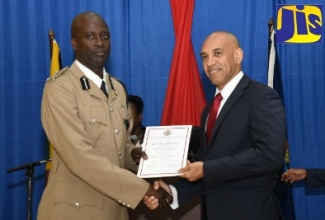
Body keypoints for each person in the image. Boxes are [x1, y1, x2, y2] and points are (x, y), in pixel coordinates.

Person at [38, 12, 171, 220]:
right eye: (90, 36)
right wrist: (142, 190)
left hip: (115, 210)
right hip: (74, 211)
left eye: (105, 36)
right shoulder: (60, 88)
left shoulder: (117, 88)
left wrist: (135, 155)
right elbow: (80, 156)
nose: (100, 43)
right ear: (74, 42)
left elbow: (121, 145)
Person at [144, 31, 286, 220]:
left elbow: (269, 155)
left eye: (217, 53)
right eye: (204, 57)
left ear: (238, 56)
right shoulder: (210, 109)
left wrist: (206, 169)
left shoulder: (261, 97)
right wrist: (171, 191)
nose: (210, 63)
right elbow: (207, 162)